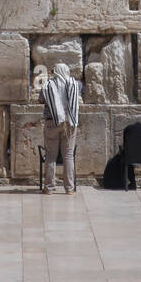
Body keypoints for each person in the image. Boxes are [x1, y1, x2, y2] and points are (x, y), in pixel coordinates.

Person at [39, 62, 81, 194]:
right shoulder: (74, 84)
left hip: (52, 122)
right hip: (69, 123)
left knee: (51, 155)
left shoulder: (48, 85)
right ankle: (69, 188)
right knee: (68, 156)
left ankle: (49, 187)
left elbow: (40, 99)